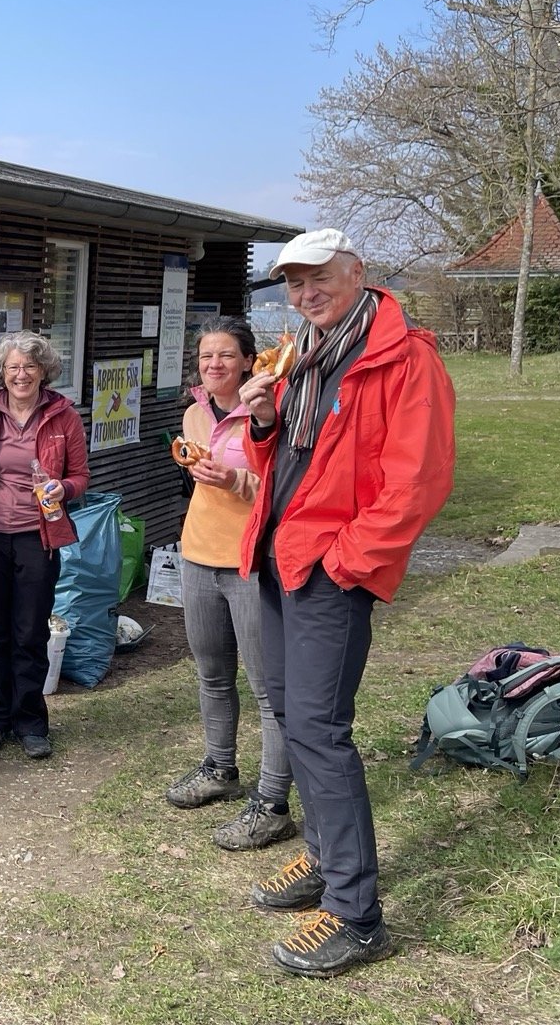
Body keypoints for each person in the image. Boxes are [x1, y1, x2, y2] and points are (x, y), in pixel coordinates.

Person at [238, 229, 455, 976]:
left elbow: (418, 482)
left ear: (356, 272)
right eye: (294, 284)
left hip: (327, 570)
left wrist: (347, 561)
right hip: (278, 556)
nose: (306, 294)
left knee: (320, 730)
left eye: (318, 278)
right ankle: (326, 857)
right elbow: (288, 462)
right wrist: (262, 421)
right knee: (289, 714)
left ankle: (358, 917)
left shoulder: (402, 357)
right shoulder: (304, 353)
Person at [164, 317, 297, 851]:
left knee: (268, 688)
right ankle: (219, 769)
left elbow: (288, 486)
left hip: (251, 561)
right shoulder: (194, 412)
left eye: (224, 355)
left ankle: (273, 802)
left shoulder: (270, 410)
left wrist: (236, 479)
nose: (213, 364)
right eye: (205, 356)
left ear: (247, 361)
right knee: (212, 673)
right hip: (198, 554)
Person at [0, 332, 87, 760]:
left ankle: (31, 721)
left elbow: (81, 477)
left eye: (30, 366)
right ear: (1, 372)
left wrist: (63, 487)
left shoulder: (64, 416)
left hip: (38, 535)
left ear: (43, 371)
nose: (21, 374)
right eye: (13, 367)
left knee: (30, 632)